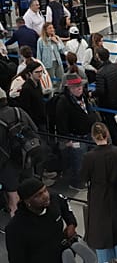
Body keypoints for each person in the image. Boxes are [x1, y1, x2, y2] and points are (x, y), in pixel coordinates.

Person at [80, 122, 117, 263]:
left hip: (98, 195)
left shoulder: (88, 157)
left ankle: (104, 259)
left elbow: (84, 177)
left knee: (100, 227)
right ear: (107, 134)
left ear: (93, 136)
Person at [6, 178, 78, 263]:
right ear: (27, 201)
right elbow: (16, 259)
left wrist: (71, 224)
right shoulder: (15, 228)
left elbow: (66, 208)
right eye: (38, 195)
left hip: (62, 255)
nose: (45, 196)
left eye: (45, 190)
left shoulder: (54, 199)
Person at [56, 73, 98, 191]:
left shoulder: (83, 96)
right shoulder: (63, 102)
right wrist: (67, 140)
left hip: (88, 133)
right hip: (75, 136)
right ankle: (77, 183)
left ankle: (88, 178)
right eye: (76, 87)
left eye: (81, 86)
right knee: (78, 161)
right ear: (69, 88)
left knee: (89, 158)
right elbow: (61, 124)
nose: (80, 88)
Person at [0, 89, 38, 217]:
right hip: (27, 159)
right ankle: (32, 218)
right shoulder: (19, 111)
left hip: (8, 166)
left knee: (13, 199)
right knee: (30, 192)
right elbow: (35, 130)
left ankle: (19, 228)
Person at [92, 48, 117, 146]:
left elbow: (100, 91)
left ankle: (114, 140)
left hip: (107, 103)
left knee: (110, 121)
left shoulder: (100, 72)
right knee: (112, 121)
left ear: (99, 58)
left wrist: (92, 94)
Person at [16, 62, 47, 130]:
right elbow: (25, 108)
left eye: (41, 71)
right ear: (30, 73)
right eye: (37, 72)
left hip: (42, 118)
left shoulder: (38, 83)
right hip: (34, 122)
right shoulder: (26, 88)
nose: (40, 74)